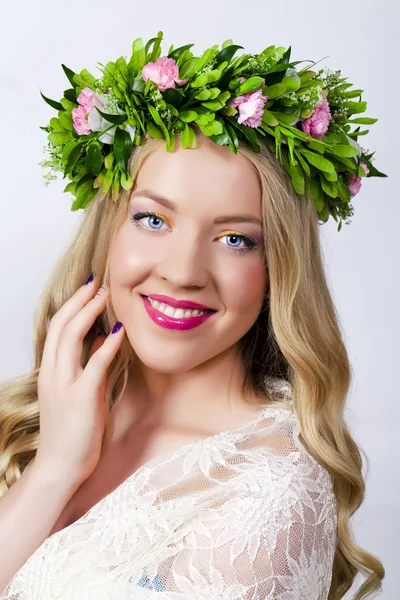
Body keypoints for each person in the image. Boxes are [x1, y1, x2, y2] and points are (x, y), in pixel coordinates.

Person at [0, 35, 385, 599]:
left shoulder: (270, 495)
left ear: (279, 268)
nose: (183, 273)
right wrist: (55, 466)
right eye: (153, 220)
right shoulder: (35, 419)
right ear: (108, 230)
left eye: (235, 239)